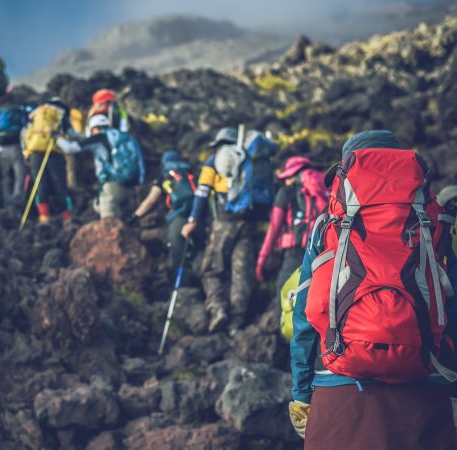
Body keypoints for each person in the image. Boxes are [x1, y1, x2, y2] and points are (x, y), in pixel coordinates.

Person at [289, 130, 457, 449]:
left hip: (339, 389)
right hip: (425, 388)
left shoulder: (328, 225)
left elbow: (305, 316)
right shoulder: (436, 222)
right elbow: (452, 309)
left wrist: (301, 394)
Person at [182, 127, 276, 332]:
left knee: (211, 269)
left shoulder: (213, 161)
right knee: (241, 272)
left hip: (223, 222)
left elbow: (202, 193)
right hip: (249, 222)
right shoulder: (251, 162)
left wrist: (193, 219)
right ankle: (236, 322)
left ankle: (218, 309)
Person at [256, 156, 327, 318]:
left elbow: (273, 229)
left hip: (295, 252)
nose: (286, 181)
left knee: (285, 290)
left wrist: (262, 259)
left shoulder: (286, 193)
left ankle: (282, 337)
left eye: (287, 177)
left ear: (294, 175)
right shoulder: (324, 187)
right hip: (322, 250)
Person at [130, 150, 201, 276]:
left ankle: (181, 285)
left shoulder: (165, 176)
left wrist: (135, 216)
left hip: (179, 217)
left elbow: (151, 200)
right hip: (198, 216)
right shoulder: (191, 172)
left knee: (177, 254)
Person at [65, 114, 144, 219]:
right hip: (132, 186)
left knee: (109, 224)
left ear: (94, 129)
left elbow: (70, 148)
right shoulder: (122, 136)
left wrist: (55, 138)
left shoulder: (99, 138)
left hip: (112, 186)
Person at [22, 98, 76, 223]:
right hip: (54, 152)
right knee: (60, 184)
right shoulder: (59, 114)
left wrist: (27, 151)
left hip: (35, 152)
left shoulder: (37, 113)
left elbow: (25, 133)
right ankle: (67, 216)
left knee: (40, 184)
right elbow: (71, 133)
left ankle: (44, 216)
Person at [0, 104, 32, 208]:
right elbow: (27, 127)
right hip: (15, 148)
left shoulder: (0, 115)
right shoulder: (18, 114)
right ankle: (18, 200)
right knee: (20, 174)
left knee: (6, 176)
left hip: (1, 149)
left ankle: (7, 201)